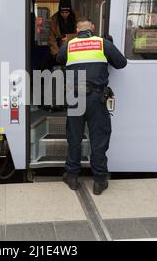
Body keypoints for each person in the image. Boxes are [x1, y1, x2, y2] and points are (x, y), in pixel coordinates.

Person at [56, 17, 127, 195]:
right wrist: (109, 46)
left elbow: (59, 59)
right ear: (93, 28)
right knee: (99, 139)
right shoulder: (102, 43)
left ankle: (72, 177)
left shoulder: (70, 45)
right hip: (97, 98)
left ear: (77, 29)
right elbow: (121, 63)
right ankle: (99, 181)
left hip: (75, 98)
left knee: (74, 138)